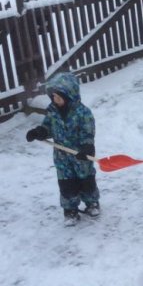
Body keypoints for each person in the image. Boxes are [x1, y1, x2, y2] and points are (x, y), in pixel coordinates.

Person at [26, 72, 100, 226]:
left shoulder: (83, 113)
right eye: (53, 96)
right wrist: (39, 132)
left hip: (80, 155)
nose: (55, 99)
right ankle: (70, 210)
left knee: (86, 180)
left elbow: (88, 132)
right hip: (61, 157)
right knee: (66, 183)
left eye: (58, 97)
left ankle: (92, 203)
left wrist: (87, 147)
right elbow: (48, 126)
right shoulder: (53, 111)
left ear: (69, 96)